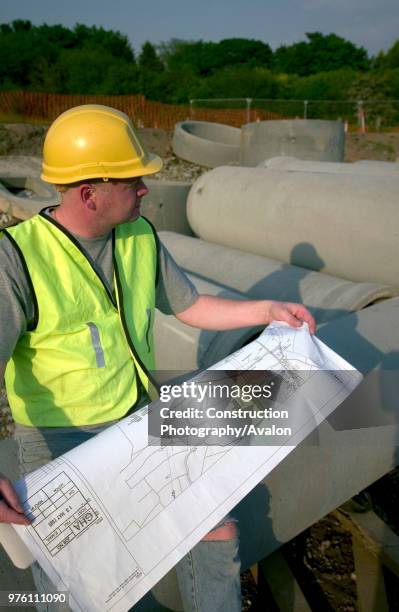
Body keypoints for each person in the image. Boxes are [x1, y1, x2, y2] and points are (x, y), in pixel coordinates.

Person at [0, 104, 316, 611]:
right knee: (72, 582)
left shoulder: (138, 236)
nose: (147, 188)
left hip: (137, 418)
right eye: (134, 181)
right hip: (59, 440)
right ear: (89, 193)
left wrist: (266, 308)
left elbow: (190, 306)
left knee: (215, 526)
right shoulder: (15, 258)